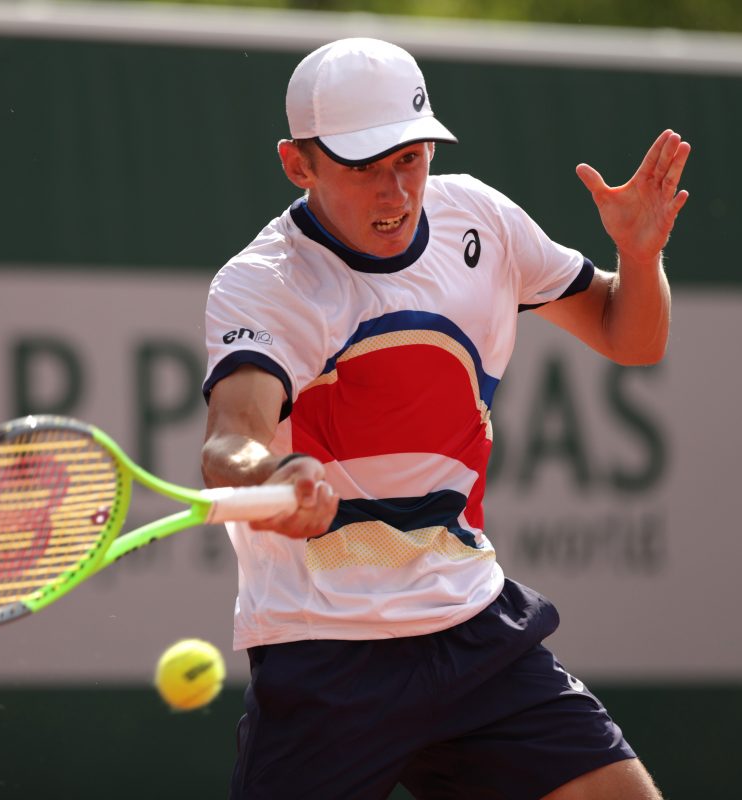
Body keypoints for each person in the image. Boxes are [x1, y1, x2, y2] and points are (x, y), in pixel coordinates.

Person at [200, 37, 689, 800]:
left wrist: (639, 253)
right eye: (363, 167)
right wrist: (272, 474)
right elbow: (231, 440)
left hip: (473, 628)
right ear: (299, 165)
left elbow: (632, 338)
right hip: (327, 651)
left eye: (410, 158)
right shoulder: (266, 284)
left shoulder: (481, 220)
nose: (395, 192)